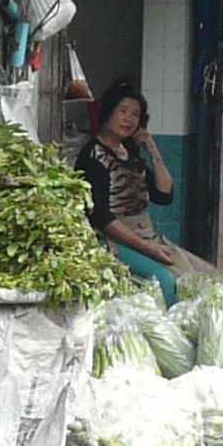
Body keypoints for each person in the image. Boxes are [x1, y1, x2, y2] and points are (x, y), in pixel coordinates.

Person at [78, 83, 185, 301]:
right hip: (110, 239)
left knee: (192, 275)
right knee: (164, 281)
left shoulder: (131, 154)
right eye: (123, 111)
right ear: (108, 114)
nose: (129, 119)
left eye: (135, 114)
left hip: (144, 234)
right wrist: (149, 250)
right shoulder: (92, 156)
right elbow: (103, 218)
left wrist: (152, 150)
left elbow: (164, 196)